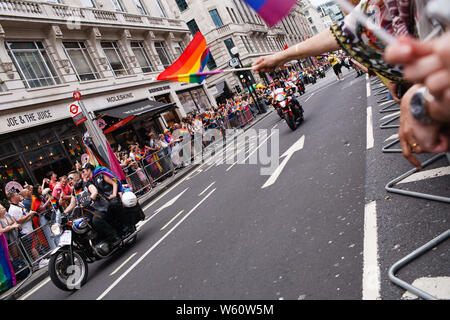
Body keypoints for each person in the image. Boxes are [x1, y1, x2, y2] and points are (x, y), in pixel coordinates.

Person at [75, 165, 121, 247]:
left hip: (104, 202)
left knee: (97, 220)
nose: (83, 174)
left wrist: (114, 194)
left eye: (84, 171)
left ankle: (114, 237)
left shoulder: (97, 176)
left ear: (89, 170)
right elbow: (73, 203)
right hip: (94, 207)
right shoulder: (85, 184)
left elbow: (95, 191)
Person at [7, 191, 39, 260]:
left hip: (30, 227)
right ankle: (39, 261)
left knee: (34, 245)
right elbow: (19, 220)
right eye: (17, 195)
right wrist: (29, 214)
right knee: (31, 247)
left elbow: (24, 213)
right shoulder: (12, 209)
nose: (19, 195)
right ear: (13, 197)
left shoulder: (20, 204)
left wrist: (30, 214)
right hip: (25, 231)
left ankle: (38, 260)